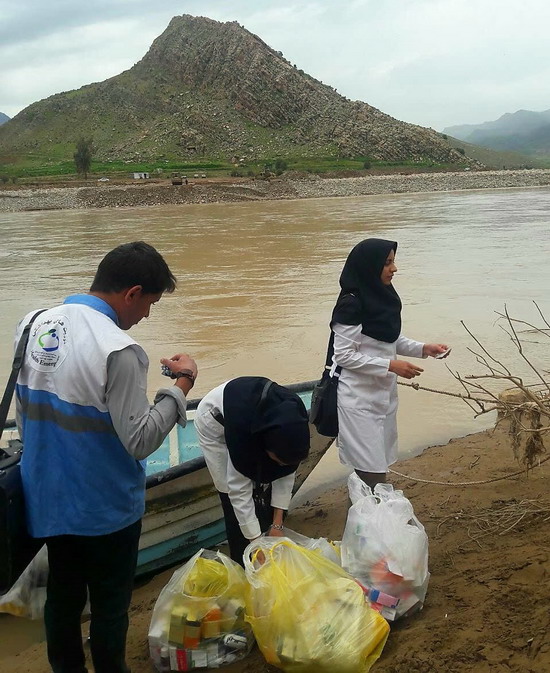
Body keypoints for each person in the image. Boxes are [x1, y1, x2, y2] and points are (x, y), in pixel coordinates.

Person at [14, 241, 198, 673]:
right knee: (110, 604)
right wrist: (181, 386)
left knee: (63, 594)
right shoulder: (119, 348)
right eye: (150, 303)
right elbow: (140, 440)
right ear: (132, 293)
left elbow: (25, 415)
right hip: (104, 507)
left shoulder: (34, 323)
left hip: (45, 494)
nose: (147, 315)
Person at [330, 238, 449, 492]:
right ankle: (369, 524)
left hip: (382, 396)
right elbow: (343, 356)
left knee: (379, 464)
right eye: (387, 263)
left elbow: (387, 340)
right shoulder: (351, 304)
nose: (394, 268)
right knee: (370, 471)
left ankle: (371, 519)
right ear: (369, 266)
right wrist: (391, 366)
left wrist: (423, 348)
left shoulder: (382, 296)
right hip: (358, 400)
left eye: (393, 261)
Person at [194, 376, 310, 565]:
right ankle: (241, 554)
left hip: (249, 412)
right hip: (214, 421)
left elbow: (286, 473)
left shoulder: (291, 425)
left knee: (270, 477)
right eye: (277, 460)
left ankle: (268, 527)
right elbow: (238, 490)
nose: (281, 466)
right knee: (228, 491)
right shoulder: (245, 440)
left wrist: (277, 524)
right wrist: (256, 545)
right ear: (264, 447)